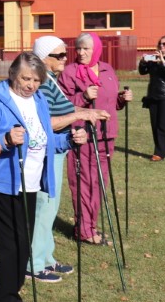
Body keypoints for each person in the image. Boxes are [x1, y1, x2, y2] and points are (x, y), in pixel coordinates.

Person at [0, 52, 87, 302]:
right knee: (10, 245)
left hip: (31, 182)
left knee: (24, 244)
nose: (30, 85)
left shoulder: (39, 100)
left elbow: (45, 139)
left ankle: (13, 299)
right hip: (2, 181)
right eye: (25, 78)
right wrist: (4, 139)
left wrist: (70, 140)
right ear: (13, 74)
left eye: (36, 80)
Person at [29, 36, 108, 282]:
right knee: (43, 207)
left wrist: (88, 112)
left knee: (51, 207)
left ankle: (46, 257)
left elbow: (65, 108)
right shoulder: (41, 82)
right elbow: (46, 122)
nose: (66, 58)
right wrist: (81, 115)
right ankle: (34, 263)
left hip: (57, 149)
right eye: (59, 55)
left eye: (65, 54)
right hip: (45, 152)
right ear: (43, 58)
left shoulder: (50, 79)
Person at [57, 33, 133, 245]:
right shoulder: (70, 72)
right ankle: (84, 230)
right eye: (78, 48)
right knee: (83, 182)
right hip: (82, 135)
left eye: (86, 49)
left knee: (99, 181)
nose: (81, 53)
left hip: (106, 135)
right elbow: (61, 104)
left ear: (96, 49)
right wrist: (83, 96)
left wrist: (122, 99)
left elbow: (111, 103)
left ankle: (90, 225)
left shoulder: (107, 70)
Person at [139, 35, 165, 161]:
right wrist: (143, 62)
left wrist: (163, 62)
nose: (161, 46)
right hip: (153, 95)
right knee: (155, 125)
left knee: (164, 126)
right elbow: (143, 71)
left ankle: (159, 153)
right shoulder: (154, 59)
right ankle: (164, 152)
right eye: (160, 43)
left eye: (164, 44)